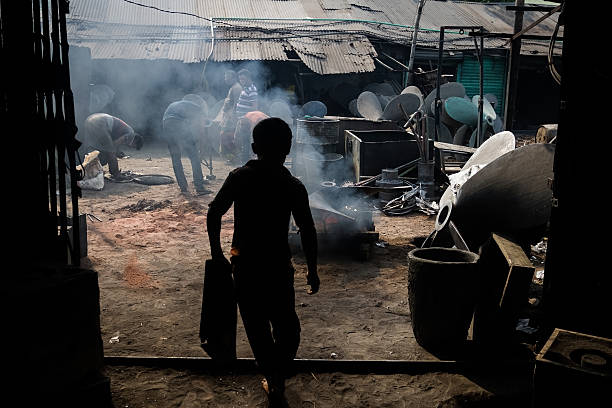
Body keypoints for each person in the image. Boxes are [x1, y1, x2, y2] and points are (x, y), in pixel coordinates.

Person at [207, 117, 319, 407]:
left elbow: (214, 212)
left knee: (257, 327)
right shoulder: (292, 185)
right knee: (287, 329)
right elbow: (307, 229)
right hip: (278, 268)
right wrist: (312, 270)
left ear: (254, 146)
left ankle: (273, 374)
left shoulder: (240, 177)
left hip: (244, 266)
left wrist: (217, 253)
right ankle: (276, 375)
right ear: (289, 149)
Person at [162, 94, 212, 195]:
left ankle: (183, 188)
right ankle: (199, 187)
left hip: (166, 124)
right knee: (194, 157)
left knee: (176, 158)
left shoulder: (181, 105)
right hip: (177, 123)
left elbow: (190, 126)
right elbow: (200, 131)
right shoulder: (199, 110)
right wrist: (199, 151)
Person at [82, 113, 144, 179]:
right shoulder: (131, 134)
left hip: (90, 120)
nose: (130, 147)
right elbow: (112, 148)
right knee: (110, 153)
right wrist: (114, 152)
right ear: (135, 141)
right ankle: (115, 173)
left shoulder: (127, 130)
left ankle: (89, 170)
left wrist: (117, 151)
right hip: (100, 123)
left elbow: (111, 143)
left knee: (92, 149)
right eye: (133, 146)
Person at [215, 70, 243, 160]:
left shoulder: (237, 88)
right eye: (225, 77)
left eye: (227, 77)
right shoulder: (233, 87)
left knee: (228, 136)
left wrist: (233, 117)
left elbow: (236, 104)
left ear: (233, 78)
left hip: (231, 118)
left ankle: (235, 157)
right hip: (228, 117)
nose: (225, 79)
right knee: (225, 136)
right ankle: (231, 157)